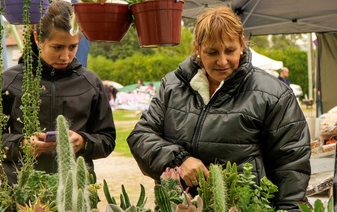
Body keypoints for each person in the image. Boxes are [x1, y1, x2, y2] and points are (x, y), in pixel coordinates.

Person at [127, 6, 310, 211]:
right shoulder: (172, 86)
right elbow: (140, 136)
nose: (222, 61)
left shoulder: (273, 93)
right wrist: (179, 159)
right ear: (197, 48)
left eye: (230, 50)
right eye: (211, 52)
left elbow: (291, 164)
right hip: (178, 206)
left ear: (241, 44)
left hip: (245, 206)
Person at [0, 0, 116, 186]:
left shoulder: (91, 83)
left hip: (75, 192)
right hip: (20, 191)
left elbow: (107, 138)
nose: (65, 56)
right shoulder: (8, 81)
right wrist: (22, 145)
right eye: (57, 47)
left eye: (72, 47)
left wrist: (83, 142)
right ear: (37, 39)